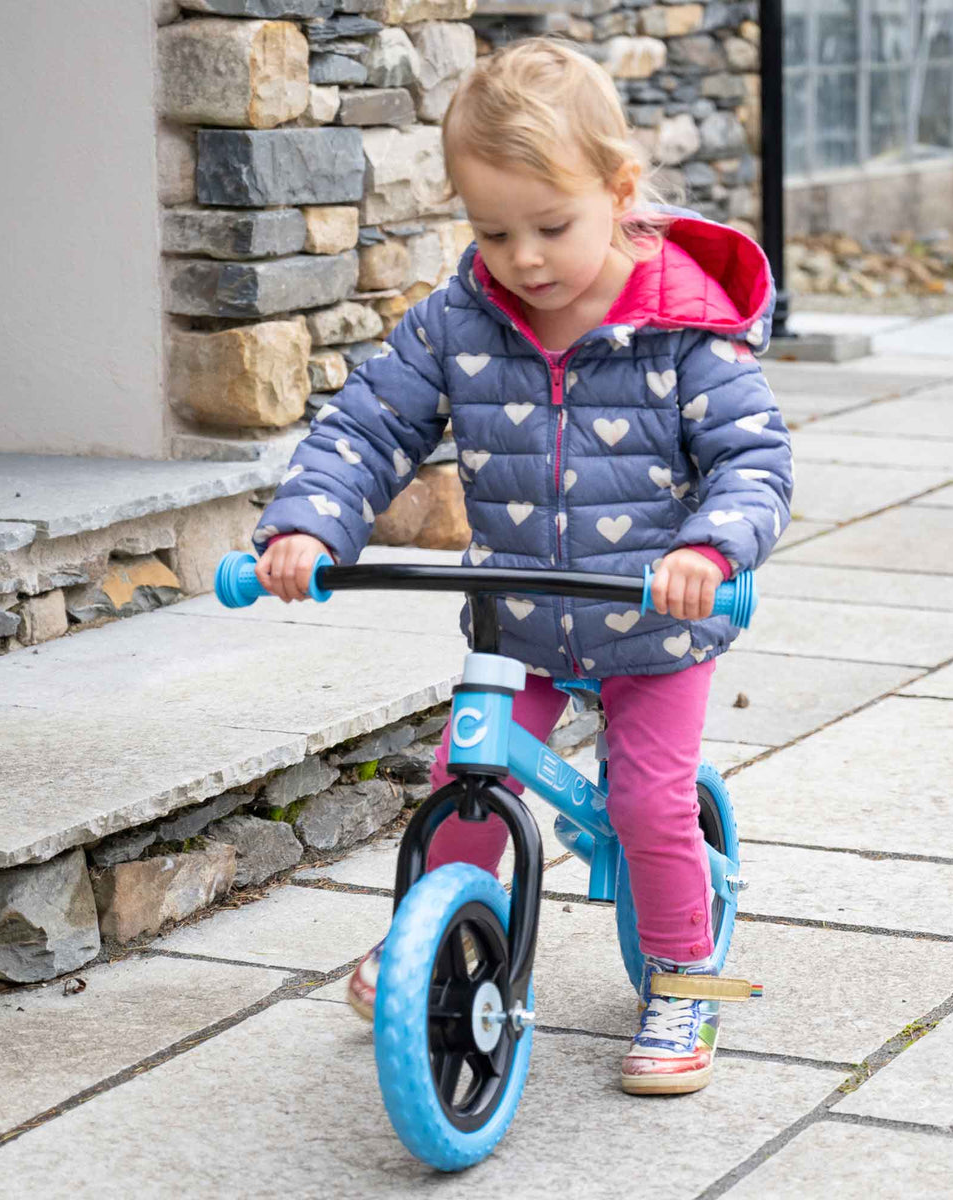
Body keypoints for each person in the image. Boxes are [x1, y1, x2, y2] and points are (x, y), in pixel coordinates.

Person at [253, 37, 792, 1096]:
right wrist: (311, 527)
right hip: (520, 624)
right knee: (467, 784)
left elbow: (752, 460)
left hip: (656, 621)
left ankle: (686, 976)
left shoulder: (681, 331)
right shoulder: (461, 321)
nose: (526, 258)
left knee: (646, 805)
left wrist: (706, 548)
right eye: (493, 231)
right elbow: (368, 426)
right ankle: (434, 945)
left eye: (553, 227)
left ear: (620, 192)